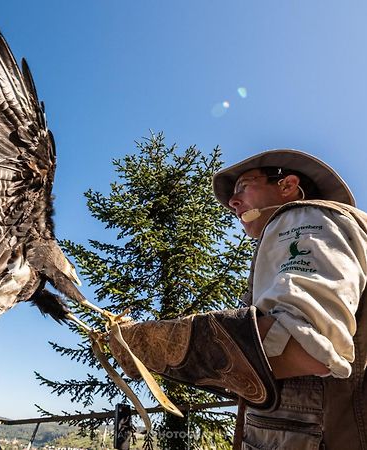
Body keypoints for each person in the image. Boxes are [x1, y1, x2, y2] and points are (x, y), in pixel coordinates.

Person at [109, 148, 367, 449]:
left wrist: (160, 344)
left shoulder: (301, 216)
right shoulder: (332, 228)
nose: (232, 202)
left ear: (287, 186)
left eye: (244, 186)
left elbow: (304, 347)